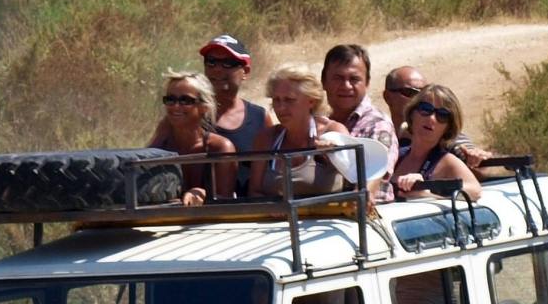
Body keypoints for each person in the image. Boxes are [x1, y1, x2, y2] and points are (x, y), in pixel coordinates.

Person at [150, 35, 266, 199]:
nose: (217, 69)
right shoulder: (177, 121)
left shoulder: (259, 117)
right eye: (211, 61)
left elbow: (276, 169)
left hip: (244, 214)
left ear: (245, 71)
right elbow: (149, 164)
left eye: (228, 63)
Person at [248, 64, 349, 198]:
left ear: (311, 101)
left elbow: (358, 179)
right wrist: (273, 208)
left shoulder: (332, 132)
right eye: (276, 100)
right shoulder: (266, 139)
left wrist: (334, 155)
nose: (281, 107)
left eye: (289, 100)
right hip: (278, 219)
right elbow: (254, 192)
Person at [154, 71, 236, 205]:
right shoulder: (160, 147)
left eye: (185, 100)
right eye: (170, 99)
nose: (176, 106)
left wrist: (202, 193)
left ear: (204, 107)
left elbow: (225, 200)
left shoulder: (220, 148)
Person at [391, 82, 481, 201]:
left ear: (448, 127)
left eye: (442, 115)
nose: (431, 118)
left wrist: (428, 192)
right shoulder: (396, 155)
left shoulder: (447, 161)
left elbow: (475, 191)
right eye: (425, 109)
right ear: (412, 113)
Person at [322, 43, 400, 172]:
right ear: (324, 81)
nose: (346, 86)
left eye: (354, 79)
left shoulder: (377, 125)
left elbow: (373, 181)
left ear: (367, 83)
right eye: (338, 78)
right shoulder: (315, 122)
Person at [380, 65, 426, 130]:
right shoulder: (375, 136)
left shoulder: (437, 138)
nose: (419, 99)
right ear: (387, 97)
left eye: (424, 93)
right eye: (409, 92)